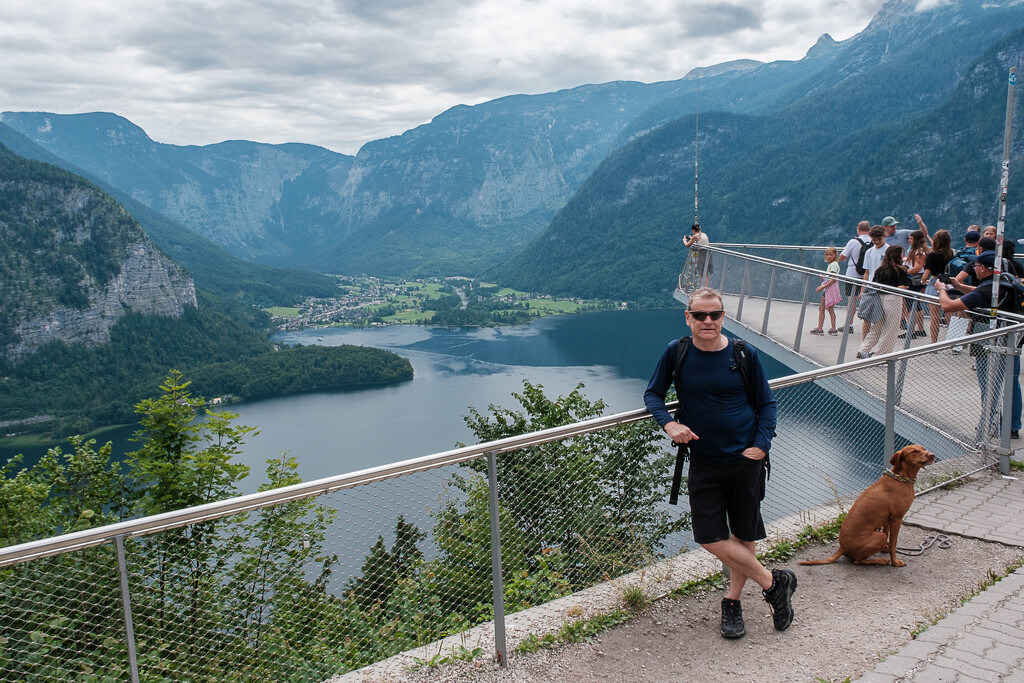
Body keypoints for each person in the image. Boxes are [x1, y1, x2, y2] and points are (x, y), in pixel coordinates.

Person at [643, 288, 794, 640]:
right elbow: (653, 393)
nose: (707, 321)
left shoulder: (743, 354)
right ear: (688, 317)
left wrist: (761, 445)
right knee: (709, 536)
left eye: (714, 315)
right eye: (700, 315)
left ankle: (733, 603)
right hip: (704, 459)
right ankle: (776, 583)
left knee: (743, 534)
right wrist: (669, 423)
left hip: (745, 459)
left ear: (723, 316)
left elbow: (766, 405)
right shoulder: (676, 352)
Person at [936, 250, 1022, 440]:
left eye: (975, 266)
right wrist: (960, 286)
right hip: (1012, 338)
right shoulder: (1004, 280)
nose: (974, 268)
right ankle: (1012, 426)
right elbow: (981, 293)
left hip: (989, 341)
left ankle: (988, 426)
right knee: (1011, 383)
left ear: (983, 268)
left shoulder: (986, 290)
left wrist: (942, 289)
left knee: (989, 386)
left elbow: (948, 307)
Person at [857, 246, 911, 359]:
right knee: (891, 329)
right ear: (898, 256)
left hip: (878, 298)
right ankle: (881, 356)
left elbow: (873, 284)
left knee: (877, 326)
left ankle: (864, 349)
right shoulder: (901, 270)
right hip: (893, 299)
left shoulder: (880, 269)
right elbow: (902, 287)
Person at [922, 229, 954, 343]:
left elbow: (926, 274)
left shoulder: (932, 255)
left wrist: (923, 281)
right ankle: (953, 342)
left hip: (935, 282)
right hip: (948, 283)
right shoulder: (951, 253)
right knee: (949, 313)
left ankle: (934, 342)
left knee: (934, 316)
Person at [839, 221, 871, 329]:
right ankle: (868, 323)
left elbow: (842, 257)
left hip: (852, 275)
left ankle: (849, 324)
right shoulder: (873, 241)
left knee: (851, 300)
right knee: (866, 299)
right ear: (869, 229)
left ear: (858, 229)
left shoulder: (853, 242)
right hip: (867, 275)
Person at [860, 226, 889, 338]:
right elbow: (867, 272)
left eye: (879, 240)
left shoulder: (889, 250)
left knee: (881, 318)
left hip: (884, 288)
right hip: (871, 287)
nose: (876, 242)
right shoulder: (869, 252)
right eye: (874, 240)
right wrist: (863, 289)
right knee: (867, 317)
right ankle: (864, 345)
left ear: (884, 236)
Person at [900, 230, 928, 339]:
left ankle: (910, 331)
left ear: (916, 240)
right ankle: (920, 329)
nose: (909, 240)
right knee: (917, 305)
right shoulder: (920, 250)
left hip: (913, 279)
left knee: (911, 305)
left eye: (911, 239)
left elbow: (918, 267)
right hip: (919, 280)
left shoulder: (918, 252)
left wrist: (903, 272)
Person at [811, 247, 841, 335]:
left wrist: (822, 287)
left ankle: (823, 329)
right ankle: (831, 328)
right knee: (827, 308)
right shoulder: (832, 264)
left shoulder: (833, 265)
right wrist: (824, 277)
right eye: (827, 254)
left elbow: (833, 279)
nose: (829, 256)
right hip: (829, 289)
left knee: (826, 308)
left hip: (829, 289)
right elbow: (831, 278)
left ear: (835, 255)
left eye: (831, 254)